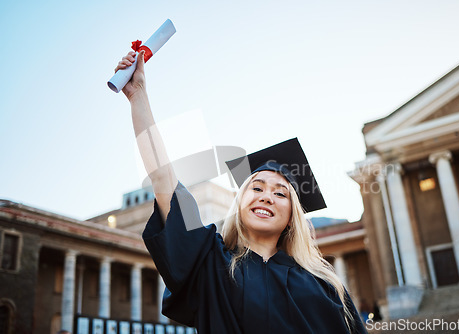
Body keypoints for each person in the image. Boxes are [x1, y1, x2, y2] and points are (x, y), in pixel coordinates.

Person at [115, 51, 367, 334]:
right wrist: (138, 97)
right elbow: (163, 179)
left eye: (281, 193)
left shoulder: (325, 285)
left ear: (291, 217)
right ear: (240, 203)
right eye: (256, 187)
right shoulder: (212, 265)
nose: (266, 196)